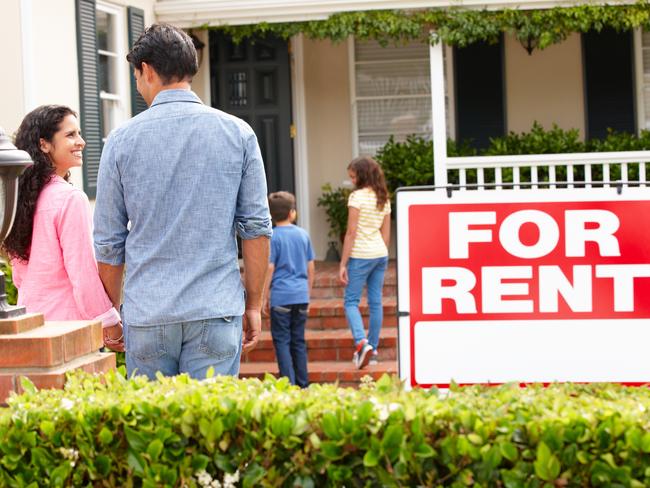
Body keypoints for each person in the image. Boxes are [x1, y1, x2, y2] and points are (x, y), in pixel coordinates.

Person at [93, 24, 272, 380]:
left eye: (137, 75)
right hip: (215, 307)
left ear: (146, 70)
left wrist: (111, 314)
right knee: (210, 431)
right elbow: (256, 230)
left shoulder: (120, 141)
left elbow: (109, 244)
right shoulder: (238, 133)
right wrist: (253, 303)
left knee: (151, 430)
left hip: (148, 312)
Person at [2, 105, 124, 351]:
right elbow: (83, 274)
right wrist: (111, 322)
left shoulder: (21, 199)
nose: (81, 142)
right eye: (70, 135)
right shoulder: (70, 199)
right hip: (70, 329)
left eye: (79, 134)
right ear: (44, 144)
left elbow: (19, 276)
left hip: (30, 325)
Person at [338, 156, 391, 369]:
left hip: (360, 255)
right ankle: (373, 349)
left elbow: (351, 232)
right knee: (375, 302)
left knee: (351, 301)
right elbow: (386, 235)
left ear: (361, 175)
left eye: (353, 176)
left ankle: (361, 343)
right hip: (380, 254)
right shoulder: (383, 197)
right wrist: (381, 252)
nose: (351, 180)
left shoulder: (357, 197)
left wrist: (343, 263)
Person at [263, 192, 315, 388]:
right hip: (301, 295)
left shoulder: (273, 237)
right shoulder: (303, 235)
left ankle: (288, 384)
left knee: (282, 341)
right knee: (298, 342)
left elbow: (269, 267)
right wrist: (307, 293)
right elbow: (311, 267)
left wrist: (263, 296)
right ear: (292, 213)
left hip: (281, 297)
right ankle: (303, 384)